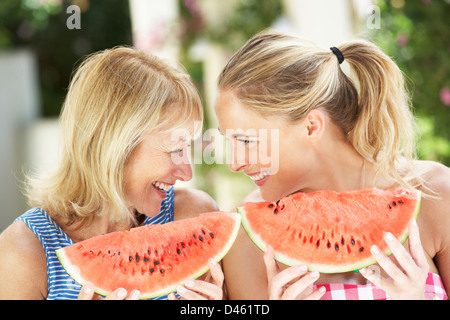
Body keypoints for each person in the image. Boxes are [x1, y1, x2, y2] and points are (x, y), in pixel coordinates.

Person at [216, 30, 449, 300]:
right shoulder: (246, 240)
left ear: (312, 126)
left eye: (246, 141)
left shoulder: (437, 195)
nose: (234, 163)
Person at [0, 47, 223, 300]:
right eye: (175, 150)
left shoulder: (193, 219)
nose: (186, 172)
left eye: (188, 149)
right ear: (117, 146)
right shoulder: (23, 254)